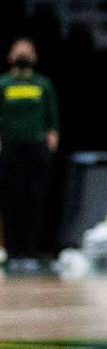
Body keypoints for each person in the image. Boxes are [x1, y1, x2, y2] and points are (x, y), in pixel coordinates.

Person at [0, 38, 59, 263]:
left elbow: (52, 115)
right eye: (18, 50)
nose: (23, 53)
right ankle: (13, 251)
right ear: (10, 56)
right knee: (11, 198)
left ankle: (31, 251)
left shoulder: (42, 84)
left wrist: (53, 134)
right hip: (11, 146)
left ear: (34, 57)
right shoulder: (4, 84)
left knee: (35, 198)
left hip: (36, 145)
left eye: (27, 50)